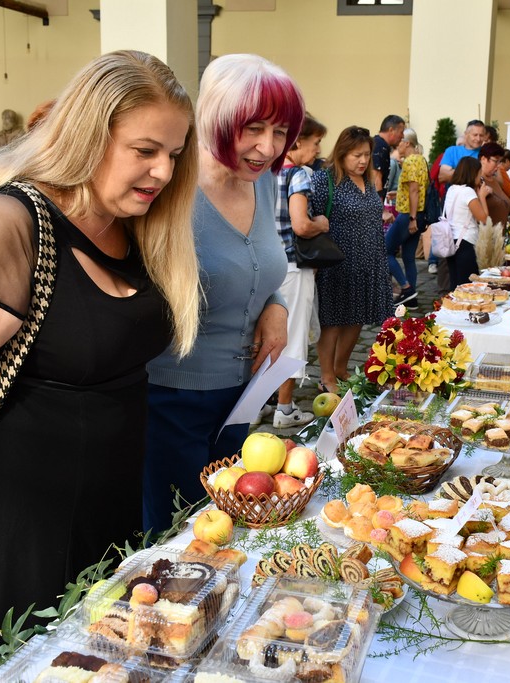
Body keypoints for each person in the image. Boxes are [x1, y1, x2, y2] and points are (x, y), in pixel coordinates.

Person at [0, 50, 200, 681]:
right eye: (145, 150)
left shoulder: (134, 224)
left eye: (174, 153)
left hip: (108, 509)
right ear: (87, 135)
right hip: (15, 526)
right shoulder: (5, 224)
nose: (164, 171)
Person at [144, 54, 302, 531]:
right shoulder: (168, 187)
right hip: (172, 400)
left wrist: (276, 306)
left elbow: (261, 268)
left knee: (231, 526)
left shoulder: (264, 183)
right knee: (178, 535)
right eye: (253, 128)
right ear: (216, 118)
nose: (267, 147)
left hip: (240, 398)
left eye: (280, 132)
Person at [312, 126, 392, 392]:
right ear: (342, 153)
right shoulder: (326, 180)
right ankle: (326, 377)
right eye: (357, 155)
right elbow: (314, 218)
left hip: (368, 260)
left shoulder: (367, 181)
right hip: (337, 262)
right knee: (332, 321)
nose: (363, 160)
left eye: (367, 155)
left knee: (357, 317)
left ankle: (340, 368)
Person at [271, 112, 328, 428]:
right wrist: (321, 223)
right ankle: (284, 407)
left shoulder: (265, 171)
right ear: (297, 142)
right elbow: (301, 225)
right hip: (293, 265)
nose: (318, 149)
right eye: (315, 142)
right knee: (292, 336)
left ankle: (257, 404)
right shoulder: (297, 175)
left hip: (267, 264)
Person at [385, 128, 429, 305]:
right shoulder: (421, 160)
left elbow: (414, 190)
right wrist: (399, 194)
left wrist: (411, 218)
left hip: (408, 215)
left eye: (400, 143)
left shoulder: (410, 161)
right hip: (419, 213)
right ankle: (411, 299)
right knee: (409, 257)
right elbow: (417, 189)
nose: (398, 146)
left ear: (407, 143)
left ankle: (406, 288)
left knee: (384, 251)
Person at [444, 156, 491, 289]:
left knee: (455, 284)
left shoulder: (452, 189)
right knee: (467, 286)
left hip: (451, 240)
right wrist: (482, 197)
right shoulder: (468, 192)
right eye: (479, 173)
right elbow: (484, 219)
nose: (480, 177)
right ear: (473, 173)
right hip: (466, 243)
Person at [438, 119, 488, 184]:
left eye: (481, 135)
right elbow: (443, 176)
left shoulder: (486, 153)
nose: (478, 139)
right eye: (475, 135)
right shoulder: (452, 151)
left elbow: (488, 177)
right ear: (466, 134)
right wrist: (475, 174)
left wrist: (455, 172)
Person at [372, 114, 405, 199]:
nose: (403, 136)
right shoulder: (380, 146)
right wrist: (380, 205)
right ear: (391, 130)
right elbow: (376, 179)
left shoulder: (381, 145)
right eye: (401, 132)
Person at [478, 142, 510, 225]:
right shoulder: (477, 181)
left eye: (500, 162)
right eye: (495, 161)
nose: (498, 166)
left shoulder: (494, 181)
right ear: (483, 159)